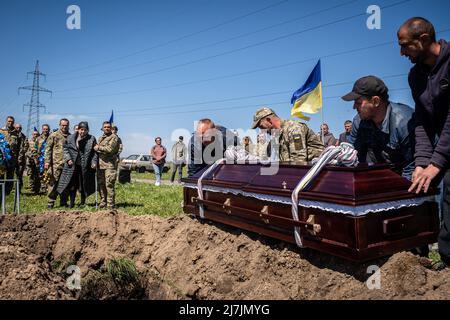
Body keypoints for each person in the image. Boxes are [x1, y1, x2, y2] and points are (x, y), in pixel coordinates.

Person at [398, 17, 450, 267]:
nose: (401, 52)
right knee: (418, 187)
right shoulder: (416, 75)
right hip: (445, 144)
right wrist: (421, 163)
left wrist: (437, 163)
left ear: (425, 40)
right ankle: (418, 258)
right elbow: (421, 121)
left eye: (405, 45)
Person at [342, 76, 415, 179]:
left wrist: (398, 191)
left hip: (408, 178)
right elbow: (354, 155)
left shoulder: (404, 122)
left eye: (358, 102)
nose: (354, 107)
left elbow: (412, 166)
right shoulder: (359, 121)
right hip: (382, 177)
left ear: (375, 101)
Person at [251, 107, 324, 163]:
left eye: (261, 126)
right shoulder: (275, 137)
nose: (262, 131)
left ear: (269, 120)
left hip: (318, 173)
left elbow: (298, 160)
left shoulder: (294, 129)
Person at [57, 122, 97, 208]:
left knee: (83, 185)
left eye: (85, 130)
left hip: (84, 166)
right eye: (81, 129)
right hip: (72, 166)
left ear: (88, 130)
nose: (83, 131)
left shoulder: (91, 139)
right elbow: (65, 149)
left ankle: (82, 203)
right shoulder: (71, 137)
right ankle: (71, 203)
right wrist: (68, 159)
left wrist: (94, 162)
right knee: (72, 185)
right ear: (78, 129)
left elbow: (95, 153)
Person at [44, 119, 70, 208]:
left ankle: (63, 201)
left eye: (66, 125)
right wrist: (47, 162)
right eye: (63, 125)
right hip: (56, 164)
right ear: (59, 125)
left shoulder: (70, 136)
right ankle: (51, 202)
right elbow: (48, 149)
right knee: (53, 183)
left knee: (65, 184)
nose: (64, 127)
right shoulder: (54, 135)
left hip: (67, 165)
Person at [94, 121, 120, 209]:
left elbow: (109, 149)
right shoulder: (100, 138)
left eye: (108, 127)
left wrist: (98, 148)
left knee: (109, 185)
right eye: (105, 127)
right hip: (100, 165)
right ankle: (103, 202)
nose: (106, 128)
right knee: (101, 185)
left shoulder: (114, 137)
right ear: (102, 128)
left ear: (111, 128)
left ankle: (110, 205)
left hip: (110, 165)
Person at [0, 116, 20, 195]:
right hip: (2, 159)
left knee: (10, 176)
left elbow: (18, 146)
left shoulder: (15, 133)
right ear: (6, 121)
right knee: (1, 176)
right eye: (9, 121)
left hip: (12, 158)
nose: (10, 123)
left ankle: (7, 192)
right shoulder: (1, 131)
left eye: (11, 121)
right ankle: (1, 192)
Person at [35, 124, 51, 193]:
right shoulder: (38, 138)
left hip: (49, 159)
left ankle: (48, 188)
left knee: (49, 174)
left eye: (46, 129)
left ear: (49, 130)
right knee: (41, 174)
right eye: (44, 129)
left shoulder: (51, 137)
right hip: (40, 159)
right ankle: (43, 188)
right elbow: (35, 149)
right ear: (42, 129)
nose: (45, 130)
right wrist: (36, 158)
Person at [14, 123, 28, 193]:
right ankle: (7, 190)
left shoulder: (24, 137)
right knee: (9, 175)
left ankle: (18, 190)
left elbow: (25, 147)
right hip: (11, 158)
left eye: (19, 128)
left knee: (19, 175)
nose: (18, 129)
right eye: (17, 127)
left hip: (20, 159)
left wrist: (21, 157)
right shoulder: (11, 135)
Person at [26, 129, 40, 194]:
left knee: (37, 175)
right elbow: (25, 150)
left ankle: (37, 188)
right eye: (34, 134)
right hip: (30, 161)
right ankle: (31, 188)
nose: (35, 136)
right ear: (32, 135)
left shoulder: (40, 142)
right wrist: (30, 156)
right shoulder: (28, 141)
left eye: (37, 135)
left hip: (38, 161)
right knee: (30, 174)